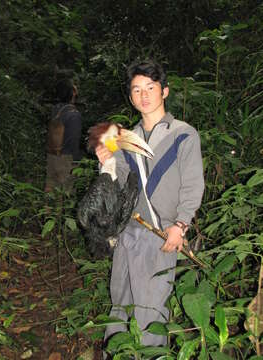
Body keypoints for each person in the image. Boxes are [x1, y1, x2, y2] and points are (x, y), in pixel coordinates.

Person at [95, 60, 205, 352]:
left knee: (151, 309)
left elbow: (193, 185)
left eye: (151, 88)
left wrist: (181, 226)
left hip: (162, 235)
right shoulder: (125, 140)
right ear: (130, 97)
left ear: (164, 91)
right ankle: (117, 354)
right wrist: (105, 159)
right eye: (136, 90)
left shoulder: (183, 134)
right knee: (121, 301)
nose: (144, 95)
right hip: (129, 231)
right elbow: (116, 186)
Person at [45, 78, 83, 194]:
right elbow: (73, 141)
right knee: (66, 194)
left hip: (52, 155)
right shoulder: (74, 114)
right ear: (72, 92)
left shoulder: (56, 109)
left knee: (51, 192)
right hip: (66, 159)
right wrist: (77, 163)